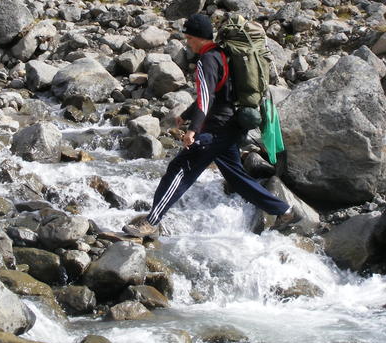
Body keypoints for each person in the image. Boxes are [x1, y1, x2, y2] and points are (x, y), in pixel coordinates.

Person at [123, 14, 297, 238]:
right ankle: (285, 210)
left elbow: (206, 98)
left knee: (179, 169)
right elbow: (218, 94)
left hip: (215, 129)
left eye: (189, 38)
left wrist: (193, 130)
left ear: (199, 37)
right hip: (234, 124)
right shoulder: (225, 54)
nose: (187, 43)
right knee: (236, 176)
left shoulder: (207, 60)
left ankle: (151, 222)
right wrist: (186, 114)